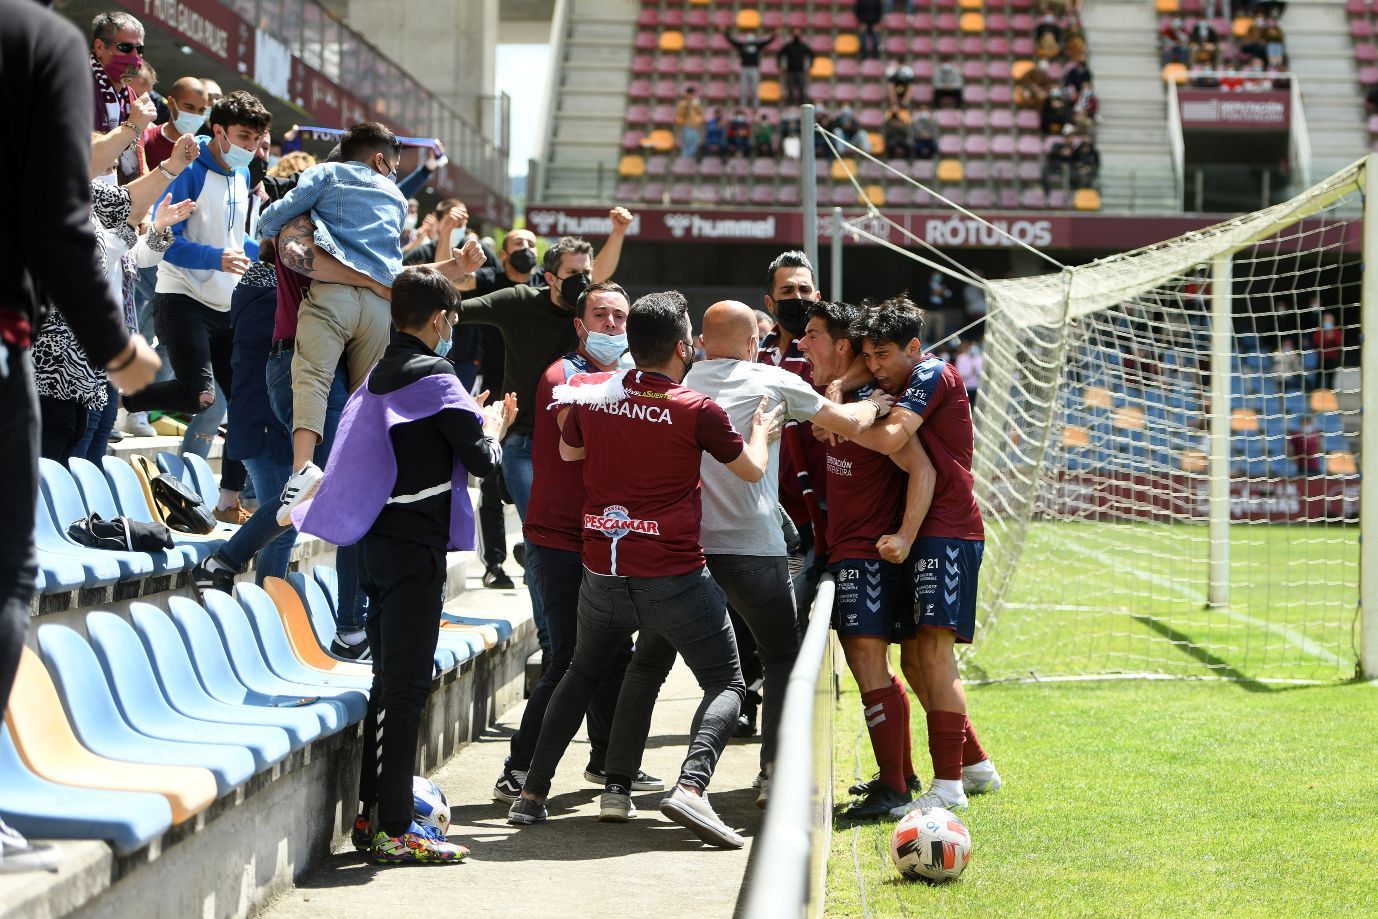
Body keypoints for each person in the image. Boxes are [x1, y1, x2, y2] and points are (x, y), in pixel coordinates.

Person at [507, 291, 780, 850]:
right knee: (726, 680)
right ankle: (692, 788)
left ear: (631, 343)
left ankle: (532, 797)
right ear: (684, 347)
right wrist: (762, 430)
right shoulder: (695, 408)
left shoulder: (596, 394)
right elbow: (751, 472)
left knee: (581, 674)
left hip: (602, 570)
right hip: (674, 574)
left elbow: (570, 453)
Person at [2, 0, 161, 860]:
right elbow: (58, 215)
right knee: (6, 571)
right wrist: (119, 348)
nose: (131, 56)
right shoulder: (35, 39)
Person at [294, 266, 515, 863]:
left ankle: (374, 817)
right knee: (408, 686)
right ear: (442, 318)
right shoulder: (439, 379)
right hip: (414, 551)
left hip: (374, 546)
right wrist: (492, 424)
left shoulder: (375, 379)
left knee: (386, 681)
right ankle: (393, 828)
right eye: (453, 319)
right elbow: (485, 462)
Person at [681, 301, 894, 805]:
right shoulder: (767, 379)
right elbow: (846, 423)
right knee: (779, 657)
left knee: (652, 665)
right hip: (754, 547)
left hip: (684, 550)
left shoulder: (679, 383)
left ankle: (617, 784)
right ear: (752, 343)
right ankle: (771, 775)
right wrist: (875, 405)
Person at [494, 281, 663, 806]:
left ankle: (611, 763)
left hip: (605, 538)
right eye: (602, 316)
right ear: (579, 324)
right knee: (570, 658)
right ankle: (518, 769)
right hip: (560, 539)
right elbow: (586, 445)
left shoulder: (629, 378)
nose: (612, 326)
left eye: (620, 317)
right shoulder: (562, 377)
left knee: (616, 653)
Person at [839, 298, 1000, 818]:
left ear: (914, 347)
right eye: (868, 355)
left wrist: (834, 413)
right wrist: (847, 388)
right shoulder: (900, 375)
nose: (876, 365)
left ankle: (948, 786)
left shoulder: (932, 372)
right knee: (914, 658)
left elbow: (889, 438)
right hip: (922, 533)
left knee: (934, 656)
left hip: (946, 531)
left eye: (883, 354)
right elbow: (870, 379)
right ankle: (975, 768)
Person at [453, 227, 632, 656]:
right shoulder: (517, 302)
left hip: (584, 442)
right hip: (526, 443)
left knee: (582, 538)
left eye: (587, 274)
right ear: (549, 278)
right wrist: (452, 268)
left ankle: (588, 635)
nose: (583, 282)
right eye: (574, 274)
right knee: (542, 537)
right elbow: (455, 309)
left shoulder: (596, 317)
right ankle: (554, 646)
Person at [259, 122, 448, 526]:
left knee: (312, 377)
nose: (394, 171)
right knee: (365, 398)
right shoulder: (396, 197)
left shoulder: (327, 174)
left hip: (334, 295)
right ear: (380, 159)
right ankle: (368, 470)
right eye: (394, 164)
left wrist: (268, 223)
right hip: (380, 307)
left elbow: (277, 216)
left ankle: (304, 467)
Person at [798, 300, 938, 819]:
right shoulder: (847, 398)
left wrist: (902, 535)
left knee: (868, 666)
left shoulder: (872, 402)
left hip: (869, 555)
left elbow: (922, 468)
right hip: (856, 550)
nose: (801, 343)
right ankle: (899, 776)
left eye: (811, 335)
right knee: (876, 668)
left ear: (842, 347)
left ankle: (896, 793)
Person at [121, 91, 272, 523]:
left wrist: (259, 251)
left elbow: (231, 241)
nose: (250, 147)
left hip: (228, 306)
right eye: (243, 136)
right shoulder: (189, 169)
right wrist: (218, 258)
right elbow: (170, 243)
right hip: (181, 297)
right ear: (218, 131)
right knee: (201, 395)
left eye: (257, 138)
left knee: (246, 404)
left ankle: (229, 501)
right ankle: (125, 398)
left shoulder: (243, 176)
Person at [758, 251, 831, 617]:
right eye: (787, 291)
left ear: (818, 297)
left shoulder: (838, 350)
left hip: (826, 508)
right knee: (772, 614)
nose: (798, 298)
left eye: (805, 289)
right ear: (770, 302)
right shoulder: (756, 357)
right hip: (770, 512)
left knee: (801, 615)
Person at [88, 10, 149, 185]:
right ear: (100, 47)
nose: (135, 57)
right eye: (125, 47)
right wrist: (130, 128)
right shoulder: (75, 82)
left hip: (113, 199)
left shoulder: (132, 98)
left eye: (140, 49)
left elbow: (139, 160)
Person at [723, 28, 776, 109]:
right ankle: (743, 107)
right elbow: (732, 41)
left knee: (755, 89)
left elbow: (767, 42)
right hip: (744, 68)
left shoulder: (757, 45)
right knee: (744, 89)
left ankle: (756, 106)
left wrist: (774, 35)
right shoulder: (743, 45)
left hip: (754, 69)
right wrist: (725, 33)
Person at [778, 28, 814, 106]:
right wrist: (780, 66)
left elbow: (811, 54)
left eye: (798, 33)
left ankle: (802, 107)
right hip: (790, 72)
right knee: (790, 91)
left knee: (802, 91)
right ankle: (790, 107)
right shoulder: (788, 46)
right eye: (794, 33)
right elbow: (779, 54)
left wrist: (810, 66)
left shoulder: (803, 46)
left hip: (800, 72)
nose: (796, 35)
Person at [674, 86, 705, 159]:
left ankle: (692, 159)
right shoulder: (682, 104)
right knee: (687, 141)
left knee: (694, 142)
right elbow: (679, 115)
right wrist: (682, 120)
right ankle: (685, 158)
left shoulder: (696, 104)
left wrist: (697, 121)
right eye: (689, 94)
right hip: (686, 125)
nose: (690, 96)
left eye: (691, 94)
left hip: (695, 126)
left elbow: (700, 114)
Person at [1314, 311, 1343, 390]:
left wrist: (1332, 337)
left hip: (1332, 359)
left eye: (1329, 319)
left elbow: (1339, 343)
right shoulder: (1319, 331)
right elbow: (1316, 343)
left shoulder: (1336, 331)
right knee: (1318, 379)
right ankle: (1317, 395)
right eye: (1326, 320)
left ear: (1333, 321)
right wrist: (1325, 337)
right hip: (1322, 359)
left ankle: (1330, 395)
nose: (1327, 321)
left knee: (1330, 380)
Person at [955, 340, 983, 408]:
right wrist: (970, 371)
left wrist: (975, 370)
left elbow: (982, 373)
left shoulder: (980, 358)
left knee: (976, 406)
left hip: (977, 387)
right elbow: (960, 373)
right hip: (966, 387)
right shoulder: (961, 358)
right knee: (966, 407)